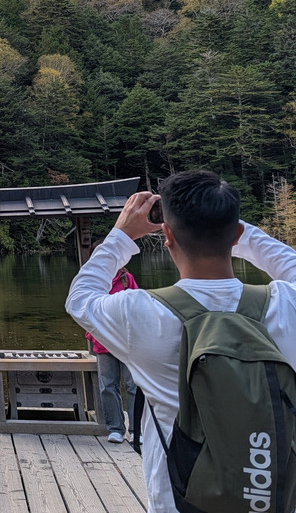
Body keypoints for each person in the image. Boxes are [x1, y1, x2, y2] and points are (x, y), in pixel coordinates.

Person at [65, 170, 296, 513]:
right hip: (273, 495)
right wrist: (237, 229)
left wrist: (121, 235)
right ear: (235, 235)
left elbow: (80, 298)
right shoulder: (285, 304)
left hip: (179, 497)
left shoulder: (140, 312)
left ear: (167, 236)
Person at [83, 266, 138, 443]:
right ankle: (115, 429)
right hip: (103, 343)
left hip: (127, 343)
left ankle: (137, 430)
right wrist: (92, 334)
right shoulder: (93, 281)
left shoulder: (126, 279)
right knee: (107, 386)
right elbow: (84, 310)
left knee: (134, 386)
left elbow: (138, 306)